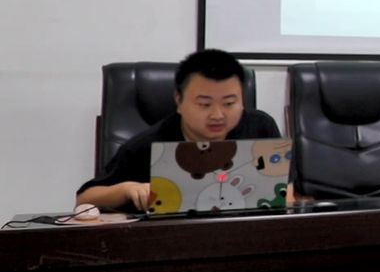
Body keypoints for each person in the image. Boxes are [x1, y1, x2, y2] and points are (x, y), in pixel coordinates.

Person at [76, 49, 280, 212]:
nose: (218, 115)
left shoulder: (261, 128)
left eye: (229, 103)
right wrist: (128, 189)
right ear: (179, 101)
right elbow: (84, 199)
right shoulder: (149, 144)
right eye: (204, 104)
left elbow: (287, 191)